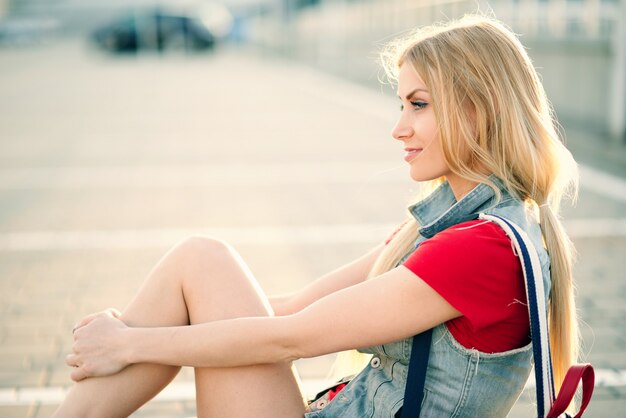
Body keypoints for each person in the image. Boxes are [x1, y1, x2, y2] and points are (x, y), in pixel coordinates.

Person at [53, 14, 579, 418]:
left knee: (200, 258)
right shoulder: (460, 224)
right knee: (200, 267)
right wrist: (143, 326)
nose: (398, 128)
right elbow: (294, 308)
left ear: (477, 109)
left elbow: (294, 338)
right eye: (402, 105)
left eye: (418, 105)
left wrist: (128, 343)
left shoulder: (478, 249)